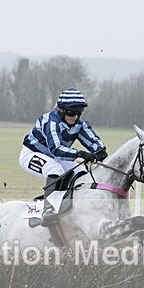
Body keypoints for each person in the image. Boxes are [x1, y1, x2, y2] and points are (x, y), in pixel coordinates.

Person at [19, 88, 108, 224]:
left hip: (56, 157)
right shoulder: (51, 122)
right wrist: (80, 153)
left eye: (79, 113)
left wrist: (100, 150)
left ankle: (72, 205)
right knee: (55, 170)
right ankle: (48, 209)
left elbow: (93, 140)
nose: (75, 116)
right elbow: (56, 149)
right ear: (62, 110)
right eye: (72, 112)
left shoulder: (79, 124)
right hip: (32, 154)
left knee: (83, 173)